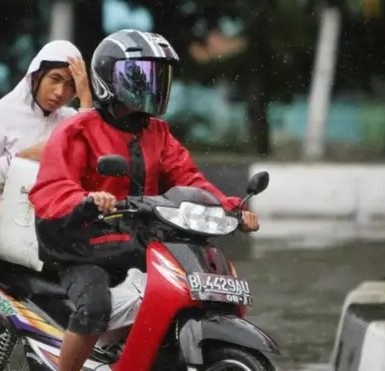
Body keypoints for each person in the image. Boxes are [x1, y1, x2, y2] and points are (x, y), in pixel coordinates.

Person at [28, 29, 260, 371]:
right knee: (94, 307)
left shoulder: (157, 133)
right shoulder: (77, 130)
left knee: (188, 287)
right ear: (110, 80)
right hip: (82, 244)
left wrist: (231, 208)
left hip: (135, 240)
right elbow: (50, 189)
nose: (153, 87)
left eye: (158, 77)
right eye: (141, 78)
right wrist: (88, 199)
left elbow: (188, 179)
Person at [0, 40, 92, 371]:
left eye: (70, 85)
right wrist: (20, 158)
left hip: (48, 224)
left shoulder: (71, 120)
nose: (60, 92)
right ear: (34, 75)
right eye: (54, 79)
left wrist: (87, 97)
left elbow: (93, 145)